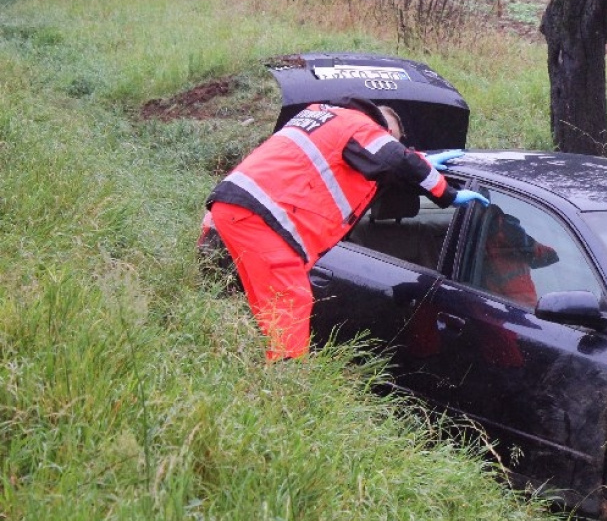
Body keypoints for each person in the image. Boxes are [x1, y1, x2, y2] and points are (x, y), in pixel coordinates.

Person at [203, 96, 487, 361]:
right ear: (384, 131)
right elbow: (393, 158)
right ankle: (286, 380)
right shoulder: (361, 126)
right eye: (392, 141)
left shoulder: (325, 116)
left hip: (236, 208)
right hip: (262, 217)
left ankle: (266, 371)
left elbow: (380, 160)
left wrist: (420, 160)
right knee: (291, 299)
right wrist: (447, 193)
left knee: (271, 307)